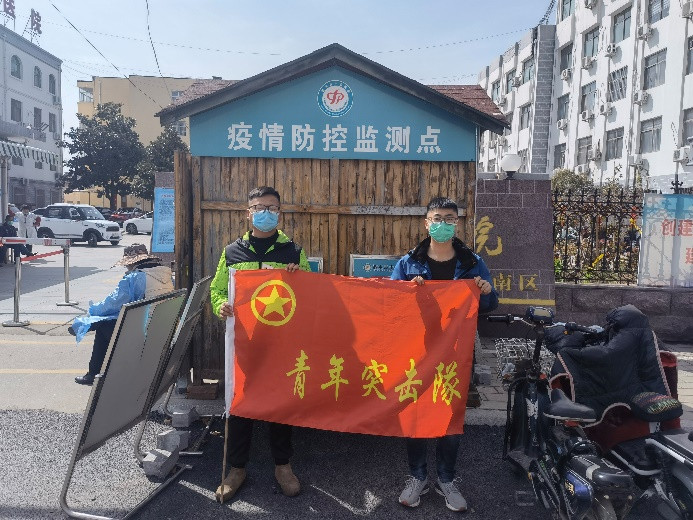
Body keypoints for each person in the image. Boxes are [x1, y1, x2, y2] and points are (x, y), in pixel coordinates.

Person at [390, 196, 498, 512]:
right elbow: (392, 304)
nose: (443, 224)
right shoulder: (409, 263)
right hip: (418, 352)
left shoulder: (472, 263)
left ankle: (447, 479)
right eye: (437, 218)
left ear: (457, 223)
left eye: (449, 218)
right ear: (426, 223)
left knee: (451, 416)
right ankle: (417, 477)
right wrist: (409, 291)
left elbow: (489, 305)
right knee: (416, 415)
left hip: (456, 352)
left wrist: (486, 291)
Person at [210, 186, 311, 502]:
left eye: (271, 208)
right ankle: (237, 469)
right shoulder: (232, 252)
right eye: (258, 207)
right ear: (248, 213)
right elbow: (216, 291)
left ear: (279, 213)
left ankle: (283, 466)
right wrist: (221, 306)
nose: (265, 213)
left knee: (280, 406)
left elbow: (311, 296)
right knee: (240, 406)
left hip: (280, 346)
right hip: (244, 345)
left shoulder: (293, 252)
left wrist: (299, 278)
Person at [70, 243, 173, 385]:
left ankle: (93, 374)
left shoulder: (135, 278)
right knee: (109, 322)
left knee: (103, 327)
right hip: (163, 328)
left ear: (132, 263)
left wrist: (92, 312)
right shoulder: (166, 275)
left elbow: (111, 304)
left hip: (144, 332)